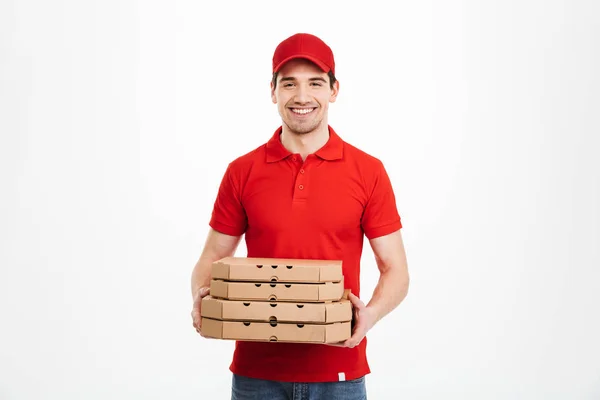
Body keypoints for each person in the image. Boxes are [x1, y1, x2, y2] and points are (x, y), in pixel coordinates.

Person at [190, 32, 410, 400]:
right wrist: (201, 298)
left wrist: (368, 317)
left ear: (334, 90)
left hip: (340, 373)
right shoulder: (241, 171)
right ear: (273, 91)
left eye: (315, 83)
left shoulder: (368, 171)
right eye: (289, 83)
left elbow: (397, 270)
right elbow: (212, 258)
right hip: (256, 375)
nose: (303, 96)